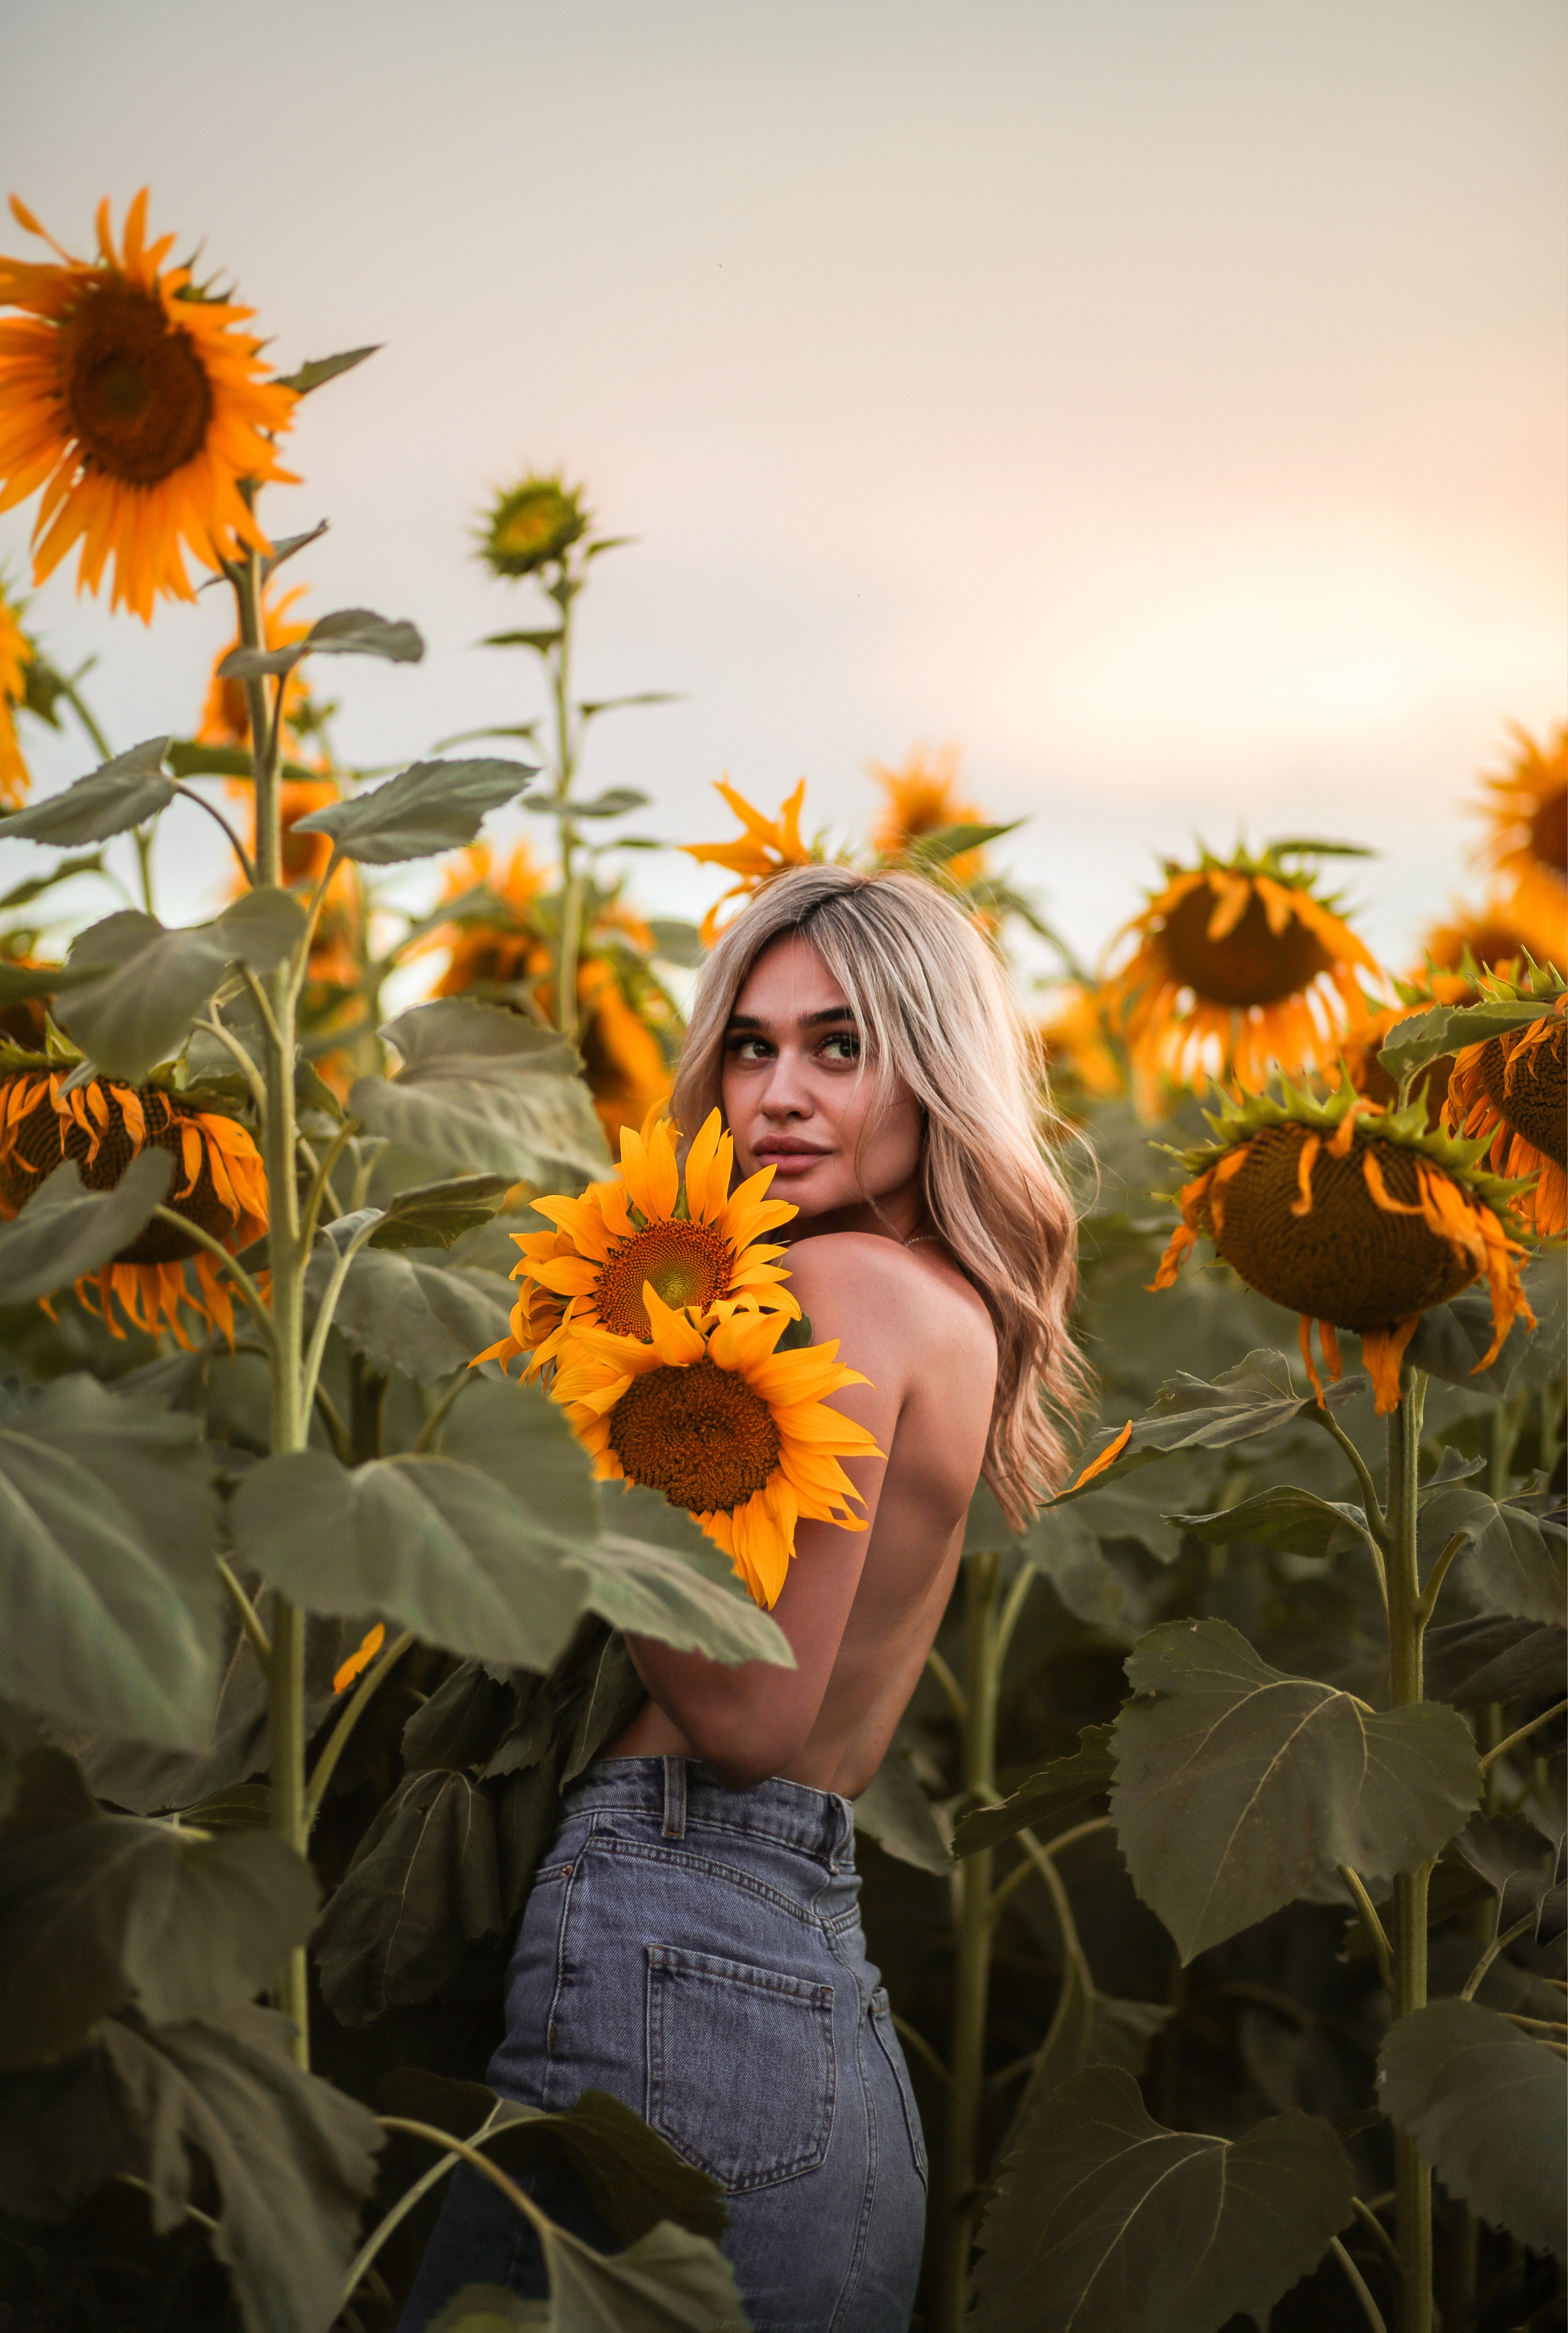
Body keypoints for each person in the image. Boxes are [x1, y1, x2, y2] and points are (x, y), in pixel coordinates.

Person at [398, 864, 1083, 2333]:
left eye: (839, 1047)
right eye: (751, 1045)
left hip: (678, 1932)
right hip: (805, 1984)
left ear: (936, 1069)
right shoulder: (935, 1302)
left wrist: (599, 1427)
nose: (779, 1091)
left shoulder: (836, 1288)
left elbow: (746, 1709)